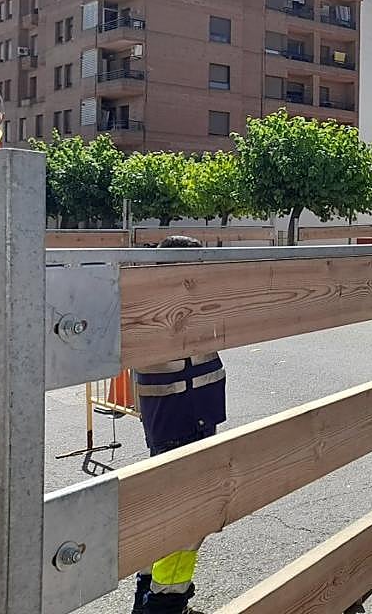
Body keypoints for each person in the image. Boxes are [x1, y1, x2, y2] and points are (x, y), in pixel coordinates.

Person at [132, 236, 225, 614]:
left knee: (170, 511)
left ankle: (152, 595)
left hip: (189, 414)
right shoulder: (164, 309)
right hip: (180, 417)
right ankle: (163, 604)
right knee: (184, 519)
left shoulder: (180, 302)